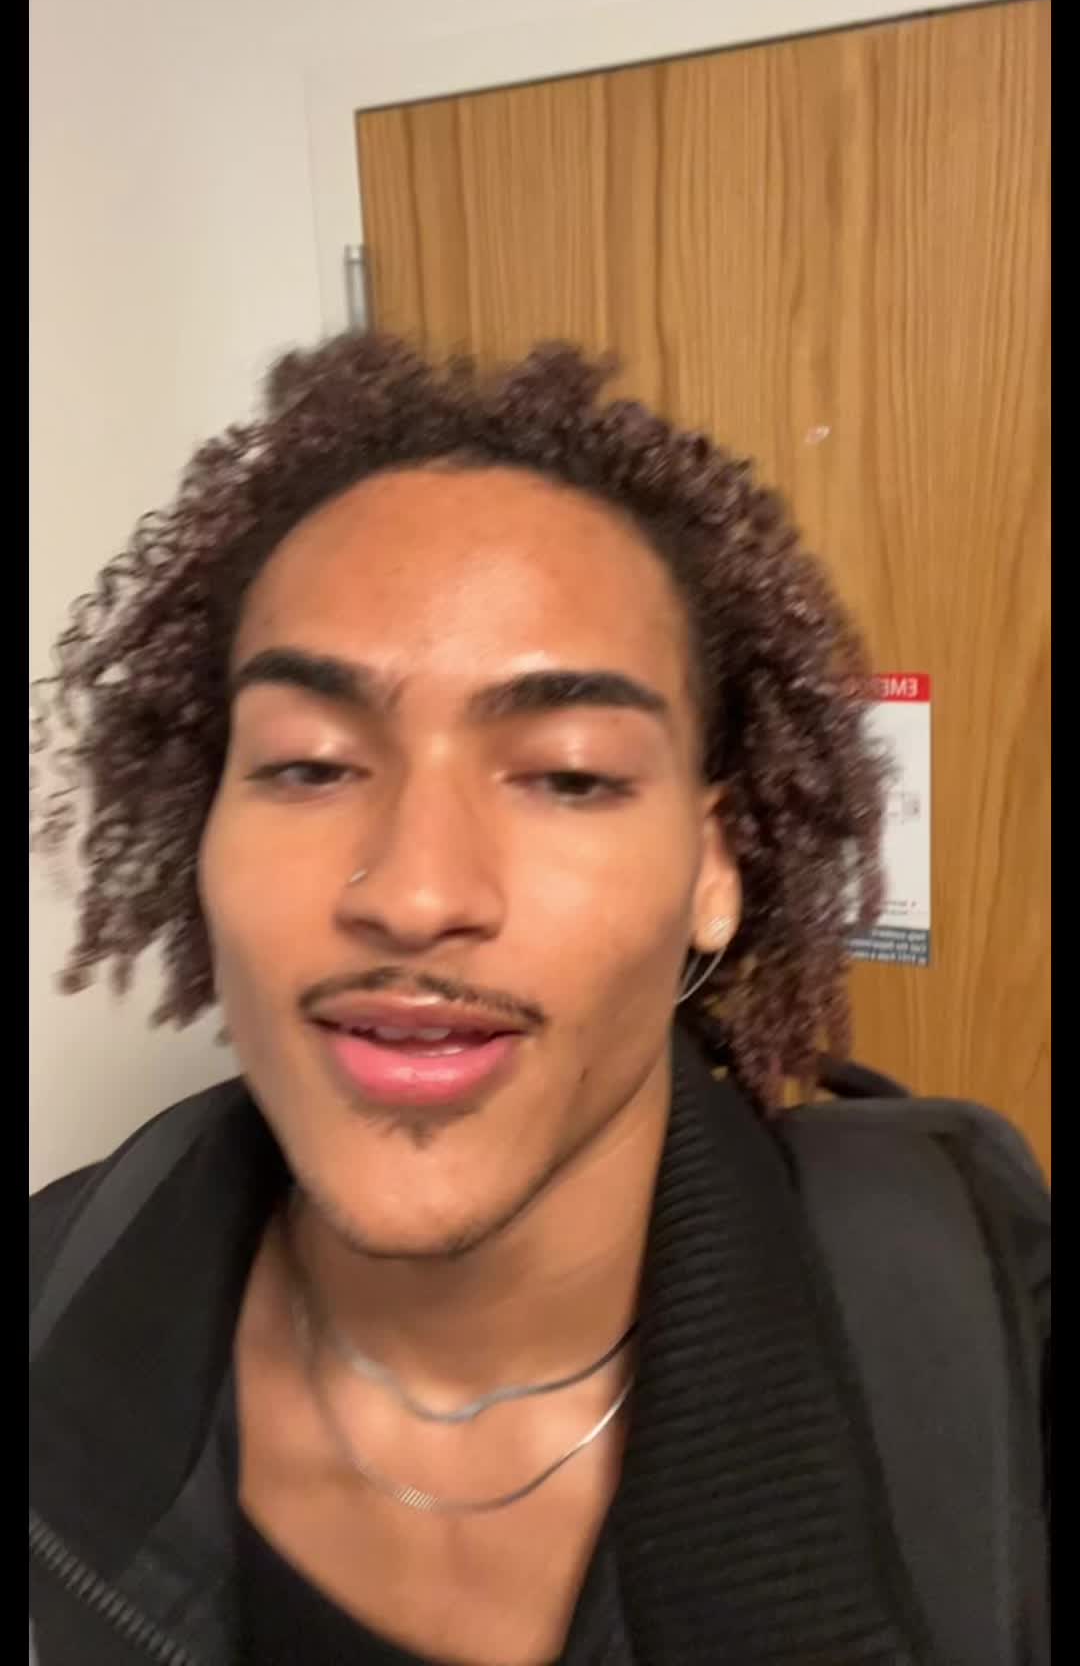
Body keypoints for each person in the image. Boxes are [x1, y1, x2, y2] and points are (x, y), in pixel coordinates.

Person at [30, 336, 1049, 1666]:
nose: (415, 893)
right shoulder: (57, 1300)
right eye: (309, 765)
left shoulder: (993, 1336)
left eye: (568, 776)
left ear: (714, 869)